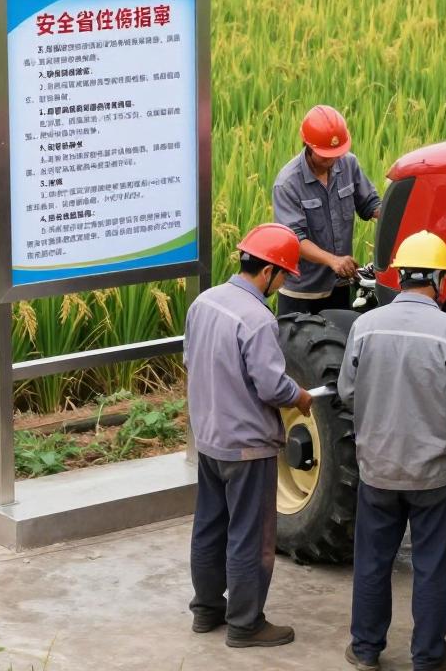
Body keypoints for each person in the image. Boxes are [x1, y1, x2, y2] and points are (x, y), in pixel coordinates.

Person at [338, 231, 446, 671]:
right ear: (438, 280)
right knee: (432, 566)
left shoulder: (365, 326)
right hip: (433, 475)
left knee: (372, 561)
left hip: (377, 469)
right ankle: (428, 657)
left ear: (400, 275)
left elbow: (347, 392)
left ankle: (365, 650)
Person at [184, 222, 314, 648]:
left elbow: (190, 358)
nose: (280, 287)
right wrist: (300, 396)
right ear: (268, 272)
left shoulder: (204, 303)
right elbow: (272, 387)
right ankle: (245, 623)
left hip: (208, 438)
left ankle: (206, 611)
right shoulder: (258, 318)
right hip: (248, 449)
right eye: (282, 278)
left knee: (209, 524)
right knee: (250, 534)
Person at [272, 104, 381, 317]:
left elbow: (370, 205)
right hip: (302, 294)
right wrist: (333, 260)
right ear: (308, 146)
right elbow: (295, 241)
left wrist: (396, 214)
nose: (332, 161)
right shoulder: (287, 184)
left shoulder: (348, 164)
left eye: (336, 154)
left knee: (339, 345)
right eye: (325, 156)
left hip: (339, 288)